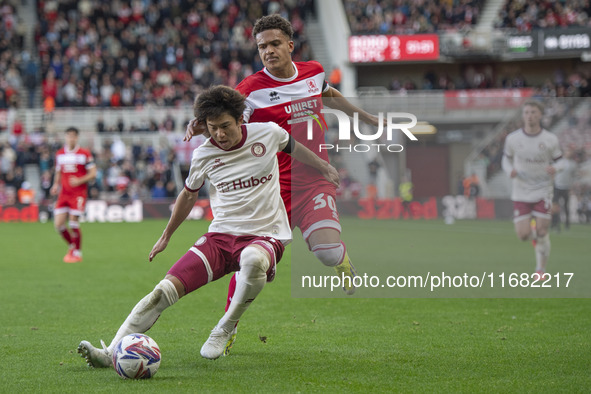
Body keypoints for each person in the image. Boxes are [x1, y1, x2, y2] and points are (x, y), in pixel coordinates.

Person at [77, 85, 339, 366]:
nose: (220, 134)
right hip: (220, 238)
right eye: (213, 128)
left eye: (226, 126)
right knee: (162, 292)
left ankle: (225, 327)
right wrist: (166, 236)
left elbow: (296, 149)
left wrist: (324, 168)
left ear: (241, 119)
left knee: (252, 260)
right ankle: (109, 353)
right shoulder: (203, 154)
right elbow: (188, 195)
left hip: (265, 234)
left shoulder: (268, 133)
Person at [185, 14, 385, 354]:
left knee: (326, 252)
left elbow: (330, 94)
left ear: (290, 45)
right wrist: (200, 123)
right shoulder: (249, 91)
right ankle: (227, 327)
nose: (268, 51)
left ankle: (342, 261)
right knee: (247, 261)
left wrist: (362, 116)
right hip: (271, 191)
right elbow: (224, 115)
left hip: (314, 182)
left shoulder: (314, 72)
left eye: (275, 44)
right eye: (262, 46)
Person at [502, 100, 564, 279]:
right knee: (523, 235)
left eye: (533, 112)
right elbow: (506, 160)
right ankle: (536, 237)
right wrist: (509, 170)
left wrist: (556, 168)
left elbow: (560, 161)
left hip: (543, 189)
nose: (530, 116)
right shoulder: (513, 139)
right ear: (523, 115)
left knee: (543, 231)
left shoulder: (550, 139)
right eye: (527, 112)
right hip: (520, 191)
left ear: (540, 115)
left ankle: (540, 270)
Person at [50, 127, 96, 263]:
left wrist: (79, 180)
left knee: (73, 221)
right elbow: (58, 172)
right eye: (68, 136)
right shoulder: (60, 154)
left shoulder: (84, 153)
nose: (71, 138)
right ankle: (72, 245)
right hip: (63, 193)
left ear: (77, 138)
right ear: (65, 137)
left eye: (73, 136)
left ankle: (77, 253)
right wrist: (55, 185)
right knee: (58, 224)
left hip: (78, 194)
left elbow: (93, 173)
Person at [551, 149, 578, 232]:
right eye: (567, 152)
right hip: (557, 186)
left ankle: (567, 224)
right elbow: (553, 171)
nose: (568, 153)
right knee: (555, 206)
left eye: (569, 152)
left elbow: (574, 176)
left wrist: (572, 187)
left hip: (566, 188)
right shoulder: (559, 162)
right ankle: (554, 223)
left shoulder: (573, 164)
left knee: (566, 207)